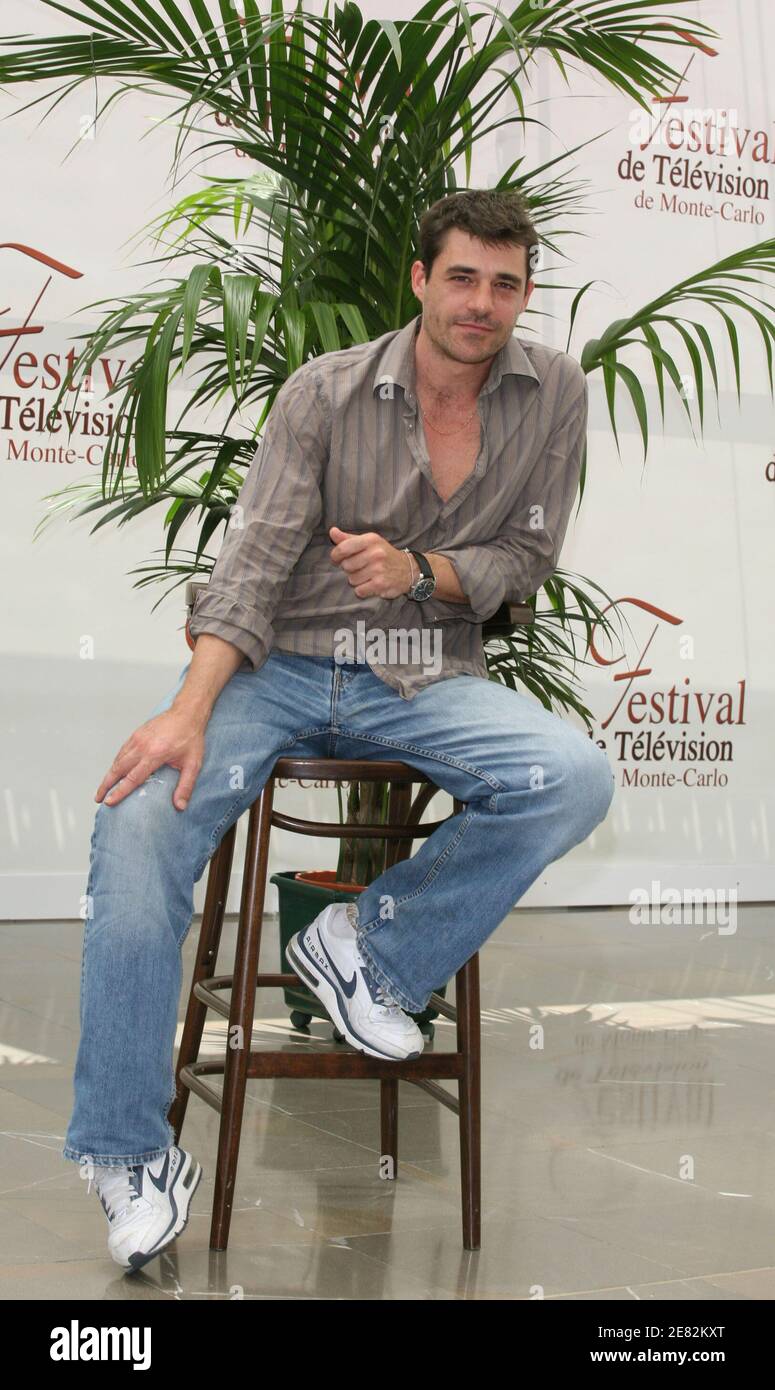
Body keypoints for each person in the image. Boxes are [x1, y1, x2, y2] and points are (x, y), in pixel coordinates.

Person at [63, 188, 615, 1272]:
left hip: (422, 669)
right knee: (135, 830)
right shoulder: (324, 392)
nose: (481, 302)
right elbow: (255, 563)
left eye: (504, 284)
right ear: (419, 280)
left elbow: (526, 561)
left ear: (523, 294)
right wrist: (189, 710)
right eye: (461, 277)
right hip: (279, 666)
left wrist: (425, 572)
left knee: (572, 774)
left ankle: (367, 943)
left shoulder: (554, 391)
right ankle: (130, 1153)